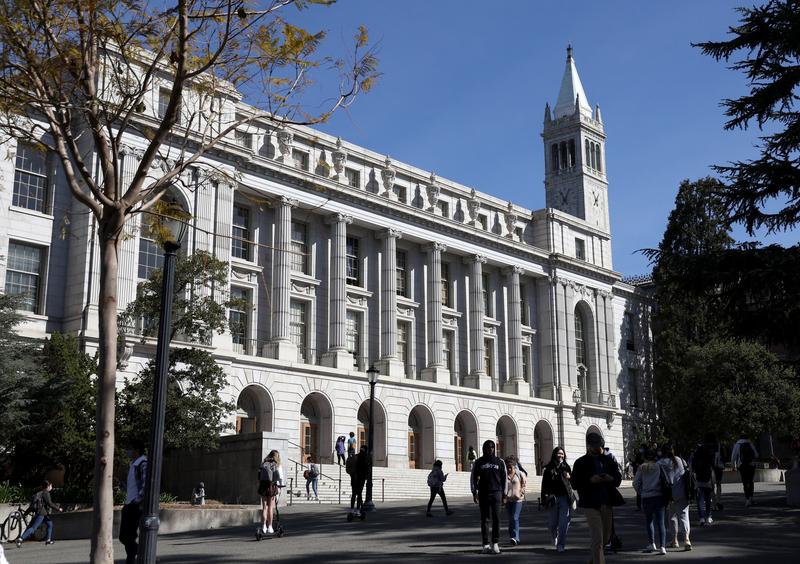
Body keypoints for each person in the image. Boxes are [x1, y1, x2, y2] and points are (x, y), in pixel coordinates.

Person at [571, 432, 624, 564]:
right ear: (588, 446)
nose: (598, 448)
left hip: (607, 501)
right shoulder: (580, 462)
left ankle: (593, 561)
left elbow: (618, 479)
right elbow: (574, 483)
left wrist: (610, 478)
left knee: (605, 538)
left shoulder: (608, 460)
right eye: (595, 446)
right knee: (597, 538)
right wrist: (590, 480)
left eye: (600, 445)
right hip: (590, 503)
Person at [470, 439, 507, 554]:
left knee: (496, 518)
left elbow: (504, 478)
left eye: (492, 447)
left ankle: (495, 543)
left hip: (497, 493)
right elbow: (473, 477)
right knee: (485, 519)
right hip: (483, 493)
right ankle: (485, 544)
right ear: (484, 448)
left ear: (494, 448)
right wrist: (474, 492)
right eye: (487, 447)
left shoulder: (500, 462)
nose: (490, 449)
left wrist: (505, 494)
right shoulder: (479, 462)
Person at [633, 448, 667, 555]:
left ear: (644, 457)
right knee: (661, 522)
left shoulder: (641, 467)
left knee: (649, 521)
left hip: (647, 497)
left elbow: (635, 483)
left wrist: (641, 492)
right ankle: (662, 546)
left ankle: (652, 543)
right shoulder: (659, 466)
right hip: (658, 495)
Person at [658, 444, 691, 551]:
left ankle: (675, 540)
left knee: (672, 517)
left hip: (669, 494)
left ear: (662, 452)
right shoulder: (679, 460)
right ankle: (686, 539)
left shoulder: (660, 463)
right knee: (684, 516)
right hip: (683, 492)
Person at [119, 439, 147, 564]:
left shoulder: (143, 463)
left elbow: (145, 485)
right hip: (129, 503)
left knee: (128, 536)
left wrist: (137, 500)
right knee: (124, 536)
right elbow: (132, 487)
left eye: (129, 448)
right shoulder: (133, 464)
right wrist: (121, 486)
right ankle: (135, 556)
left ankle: (136, 556)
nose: (127, 451)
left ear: (137, 450)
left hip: (135, 505)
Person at [541, 446, 573, 552]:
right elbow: (544, 484)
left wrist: (569, 477)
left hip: (565, 498)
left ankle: (561, 544)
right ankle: (554, 535)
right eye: (559, 453)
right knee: (552, 524)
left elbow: (572, 483)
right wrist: (544, 498)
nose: (560, 455)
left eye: (562, 454)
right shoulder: (549, 468)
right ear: (555, 454)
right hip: (552, 498)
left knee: (564, 523)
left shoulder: (566, 467)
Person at [15, 480, 62, 548]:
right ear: (48, 486)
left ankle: (48, 540)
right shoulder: (46, 493)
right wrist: (58, 509)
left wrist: (26, 513)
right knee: (33, 528)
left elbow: (32, 505)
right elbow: (50, 503)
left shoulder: (39, 493)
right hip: (41, 513)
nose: (51, 487)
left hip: (43, 513)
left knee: (50, 524)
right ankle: (20, 539)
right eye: (51, 486)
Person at [258, 450, 285, 534]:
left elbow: (259, 475)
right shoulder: (277, 464)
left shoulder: (263, 463)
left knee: (264, 507)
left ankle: (263, 526)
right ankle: (270, 526)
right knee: (270, 507)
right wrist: (281, 485)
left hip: (263, 486)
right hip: (271, 486)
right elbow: (280, 477)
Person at [692, 436, 716, 525]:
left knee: (700, 500)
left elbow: (693, 466)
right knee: (708, 499)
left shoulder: (697, 453)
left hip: (699, 479)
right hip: (708, 479)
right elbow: (713, 465)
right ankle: (709, 517)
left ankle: (701, 518)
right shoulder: (709, 452)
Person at [731, 434, 758, 507]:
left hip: (742, 465)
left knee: (745, 482)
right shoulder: (750, 444)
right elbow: (756, 454)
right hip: (751, 465)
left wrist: (733, 466)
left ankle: (747, 499)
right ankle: (751, 498)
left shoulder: (737, 444)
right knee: (751, 481)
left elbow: (733, 457)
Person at [504, 456, 526, 546]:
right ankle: (512, 536)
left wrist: (521, 492)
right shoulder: (504, 475)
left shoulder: (520, 474)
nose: (509, 469)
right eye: (507, 467)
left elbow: (523, 484)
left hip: (517, 500)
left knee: (514, 517)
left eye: (510, 467)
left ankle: (515, 537)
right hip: (508, 500)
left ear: (514, 466)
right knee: (510, 519)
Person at [347, 445, 368, 516]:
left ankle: (352, 509)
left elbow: (349, 468)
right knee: (359, 494)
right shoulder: (365, 458)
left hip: (354, 478)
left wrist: (352, 475)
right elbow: (367, 469)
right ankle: (358, 510)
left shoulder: (355, 457)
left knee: (354, 494)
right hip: (360, 479)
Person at [712, 440, 725, 511]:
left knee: (711, 486)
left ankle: (713, 504)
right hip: (719, 467)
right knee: (718, 484)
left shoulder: (706, 446)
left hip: (710, 467)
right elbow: (724, 456)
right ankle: (718, 501)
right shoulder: (719, 446)